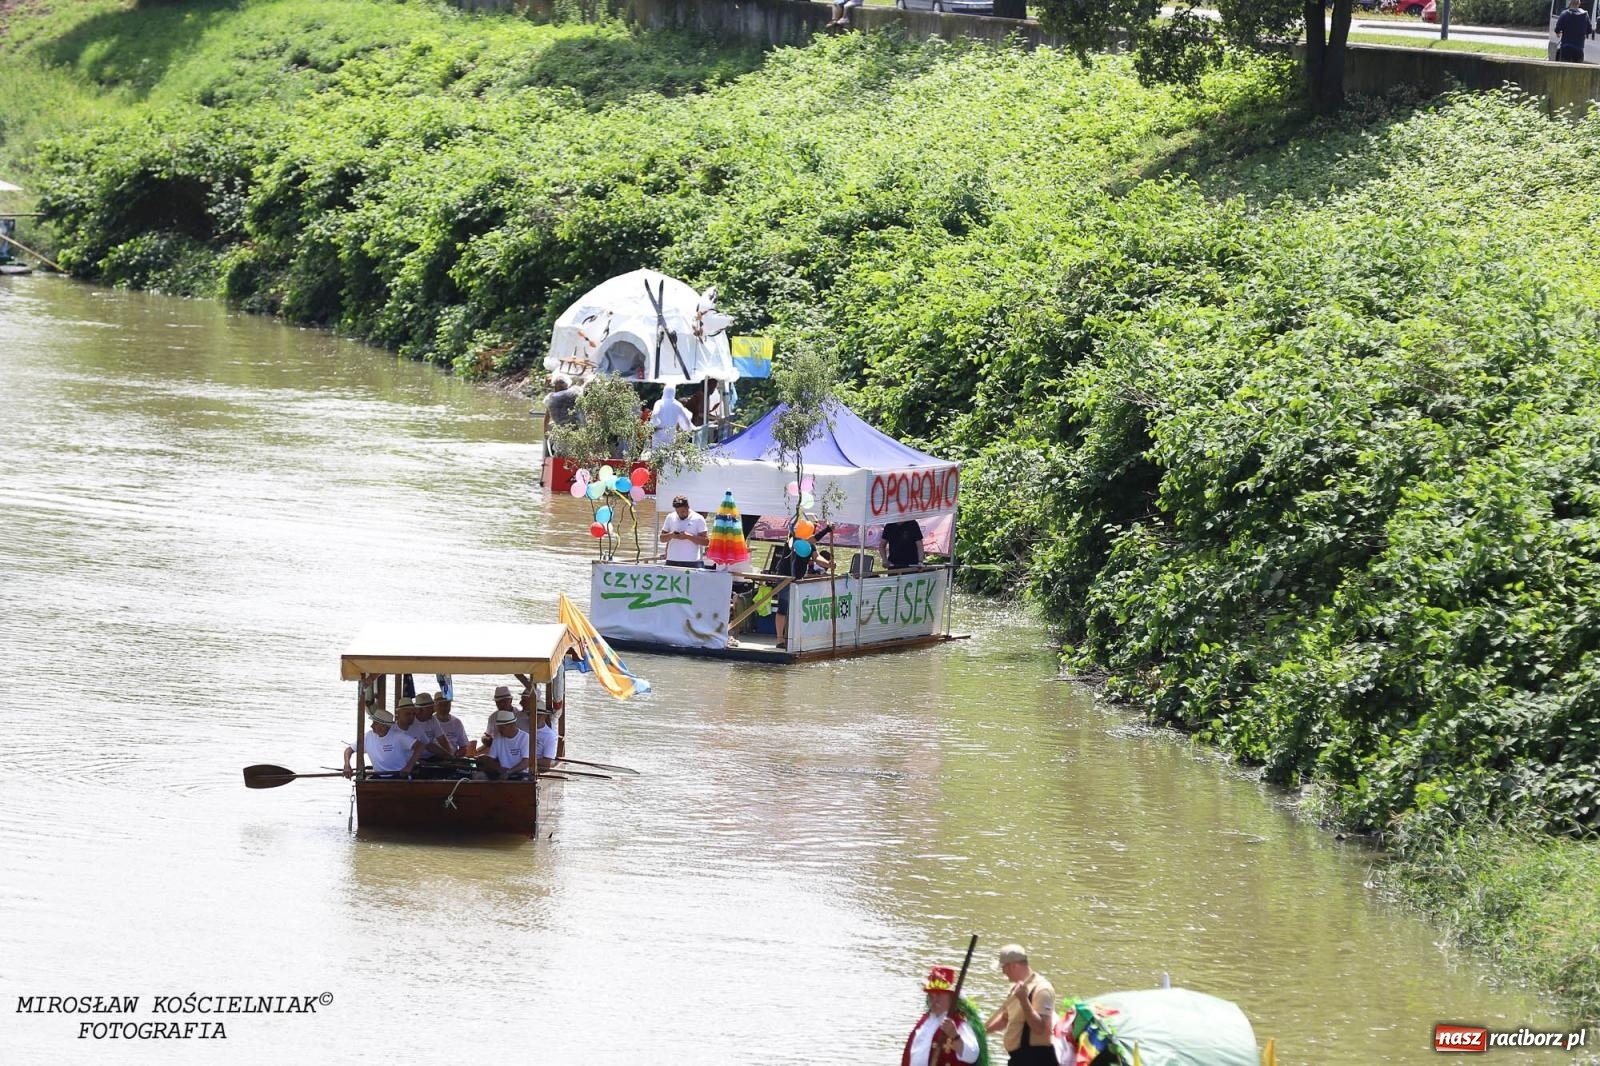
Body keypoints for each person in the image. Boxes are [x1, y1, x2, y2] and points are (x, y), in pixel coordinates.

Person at [984, 945, 1055, 1066]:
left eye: (1003, 967)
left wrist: (1024, 1000)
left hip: (1036, 1059)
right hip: (1018, 1058)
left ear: (1013, 966)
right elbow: (1005, 1018)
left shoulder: (1042, 989)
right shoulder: (1015, 988)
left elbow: (1040, 1029)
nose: (1003, 972)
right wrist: (981, 1031)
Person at [902, 965, 984, 1066]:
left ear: (951, 998)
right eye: (931, 996)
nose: (934, 1001)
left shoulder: (959, 1024)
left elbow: (972, 1055)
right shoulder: (924, 1021)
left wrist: (954, 1035)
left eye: (939, 995)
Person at [342, 708, 423, 778]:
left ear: (384, 726)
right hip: (378, 776)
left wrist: (409, 766)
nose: (371, 726)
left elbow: (420, 746)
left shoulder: (398, 737)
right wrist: (347, 765)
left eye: (375, 723)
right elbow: (349, 750)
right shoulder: (368, 736)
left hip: (399, 776)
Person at [478, 709, 532, 779]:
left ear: (512, 725)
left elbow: (526, 762)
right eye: (498, 727)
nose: (499, 730)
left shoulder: (525, 738)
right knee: (478, 776)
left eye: (502, 728)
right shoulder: (497, 738)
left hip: (521, 774)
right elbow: (490, 759)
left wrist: (509, 772)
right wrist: (500, 769)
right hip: (502, 773)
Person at [660, 494, 709, 567]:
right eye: (677, 512)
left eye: (683, 511)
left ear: (688, 507)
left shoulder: (698, 518)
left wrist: (688, 536)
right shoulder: (670, 517)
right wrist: (671, 535)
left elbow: (706, 542)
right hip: (672, 561)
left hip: (692, 562)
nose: (680, 514)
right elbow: (662, 538)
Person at [541, 376, 583, 449]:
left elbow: (547, 417)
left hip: (563, 433)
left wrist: (545, 433)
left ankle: (549, 451)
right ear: (567, 385)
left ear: (555, 387)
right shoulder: (575, 392)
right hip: (579, 430)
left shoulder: (550, 399)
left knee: (550, 426)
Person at [649, 383, 696, 449]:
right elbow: (685, 418)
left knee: (657, 453)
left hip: (659, 432)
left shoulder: (659, 403)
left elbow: (655, 414)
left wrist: (655, 423)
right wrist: (690, 428)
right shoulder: (677, 404)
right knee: (669, 454)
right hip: (671, 433)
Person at [434, 691, 469, 757]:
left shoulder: (456, 722)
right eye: (440, 705)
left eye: (446, 704)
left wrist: (456, 756)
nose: (444, 708)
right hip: (433, 757)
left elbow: (464, 746)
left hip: (452, 758)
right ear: (434, 706)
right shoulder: (430, 722)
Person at [533, 708, 559, 773]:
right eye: (534, 714)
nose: (536, 717)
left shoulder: (549, 735)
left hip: (537, 767)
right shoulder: (523, 727)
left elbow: (547, 762)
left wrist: (527, 761)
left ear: (544, 716)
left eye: (539, 714)